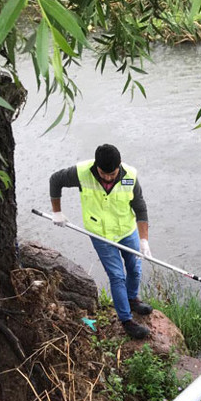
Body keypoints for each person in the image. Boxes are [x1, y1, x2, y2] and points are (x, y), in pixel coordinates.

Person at [49, 144, 153, 339]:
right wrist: (57, 212)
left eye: (112, 174)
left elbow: (140, 207)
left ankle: (132, 299)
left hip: (126, 230)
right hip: (101, 235)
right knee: (116, 276)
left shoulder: (130, 175)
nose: (107, 178)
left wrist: (144, 240)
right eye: (103, 174)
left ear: (119, 165)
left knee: (135, 268)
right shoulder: (81, 172)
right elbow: (55, 180)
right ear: (96, 166)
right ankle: (126, 320)